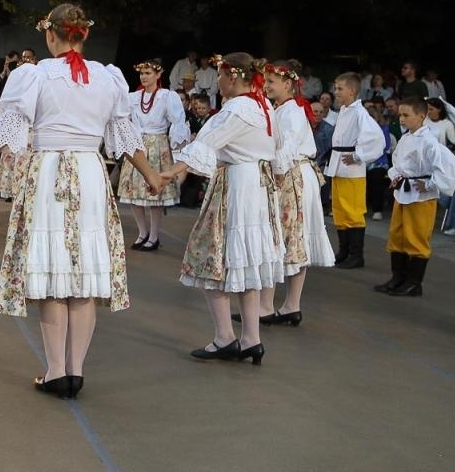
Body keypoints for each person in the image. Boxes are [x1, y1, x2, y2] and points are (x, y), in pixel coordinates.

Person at [0, 4, 164, 397]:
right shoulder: (108, 78)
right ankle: (76, 370)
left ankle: (55, 371)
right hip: (89, 172)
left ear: (50, 35)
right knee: (82, 275)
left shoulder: (33, 75)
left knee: (53, 273)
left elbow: (5, 131)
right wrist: (151, 174)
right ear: (83, 35)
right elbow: (125, 134)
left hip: (49, 171)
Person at [160, 54, 284, 366]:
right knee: (246, 262)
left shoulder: (239, 108)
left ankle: (225, 337)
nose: (217, 81)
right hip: (256, 184)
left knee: (213, 257)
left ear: (232, 76)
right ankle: (251, 339)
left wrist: (169, 173)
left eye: (219, 75)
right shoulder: (262, 105)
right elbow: (278, 147)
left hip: (238, 186)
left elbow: (207, 143)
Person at [260, 60, 334, 325]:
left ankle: (268, 306)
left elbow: (286, 149)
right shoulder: (286, 109)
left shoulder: (291, 111)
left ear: (288, 84)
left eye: (271, 82)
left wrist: (275, 176)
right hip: (296, 174)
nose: (266, 86)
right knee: (290, 237)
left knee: (281, 236)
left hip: (292, 175)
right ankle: (289, 304)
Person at [373, 96, 455, 297]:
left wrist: (430, 183)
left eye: (406, 115)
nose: (401, 119)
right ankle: (398, 277)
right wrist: (395, 176)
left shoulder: (430, 142)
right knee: (397, 234)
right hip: (403, 191)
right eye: (400, 115)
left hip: (421, 196)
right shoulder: (406, 138)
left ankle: (414, 282)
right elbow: (396, 162)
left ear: (421, 116)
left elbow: (447, 166)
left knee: (417, 236)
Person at [115, 57, 190, 251]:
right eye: (142, 73)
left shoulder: (166, 96)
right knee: (134, 192)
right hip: (137, 145)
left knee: (154, 193)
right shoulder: (133, 97)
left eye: (148, 73)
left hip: (157, 144)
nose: (144, 76)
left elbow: (178, 120)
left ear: (158, 74)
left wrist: (177, 146)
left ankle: (154, 235)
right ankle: (142, 233)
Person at [326, 72, 386, 268]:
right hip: (338, 164)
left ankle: (356, 254)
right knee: (340, 211)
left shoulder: (360, 113)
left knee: (353, 211)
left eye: (340, 88)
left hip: (351, 167)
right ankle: (344, 250)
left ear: (352, 90)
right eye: (336, 88)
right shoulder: (344, 110)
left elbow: (377, 139)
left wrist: (359, 155)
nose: (336, 92)